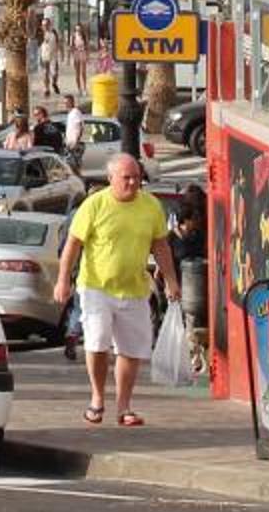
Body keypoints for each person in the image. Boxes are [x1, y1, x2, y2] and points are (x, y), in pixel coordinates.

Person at [54, 153, 178, 429]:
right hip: (96, 287)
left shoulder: (151, 206)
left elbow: (160, 246)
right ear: (111, 179)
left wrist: (171, 280)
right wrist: (63, 280)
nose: (133, 183)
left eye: (137, 177)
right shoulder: (94, 205)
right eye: (126, 178)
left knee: (131, 350)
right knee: (97, 341)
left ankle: (124, 406)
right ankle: (97, 398)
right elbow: (73, 244)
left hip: (134, 288)